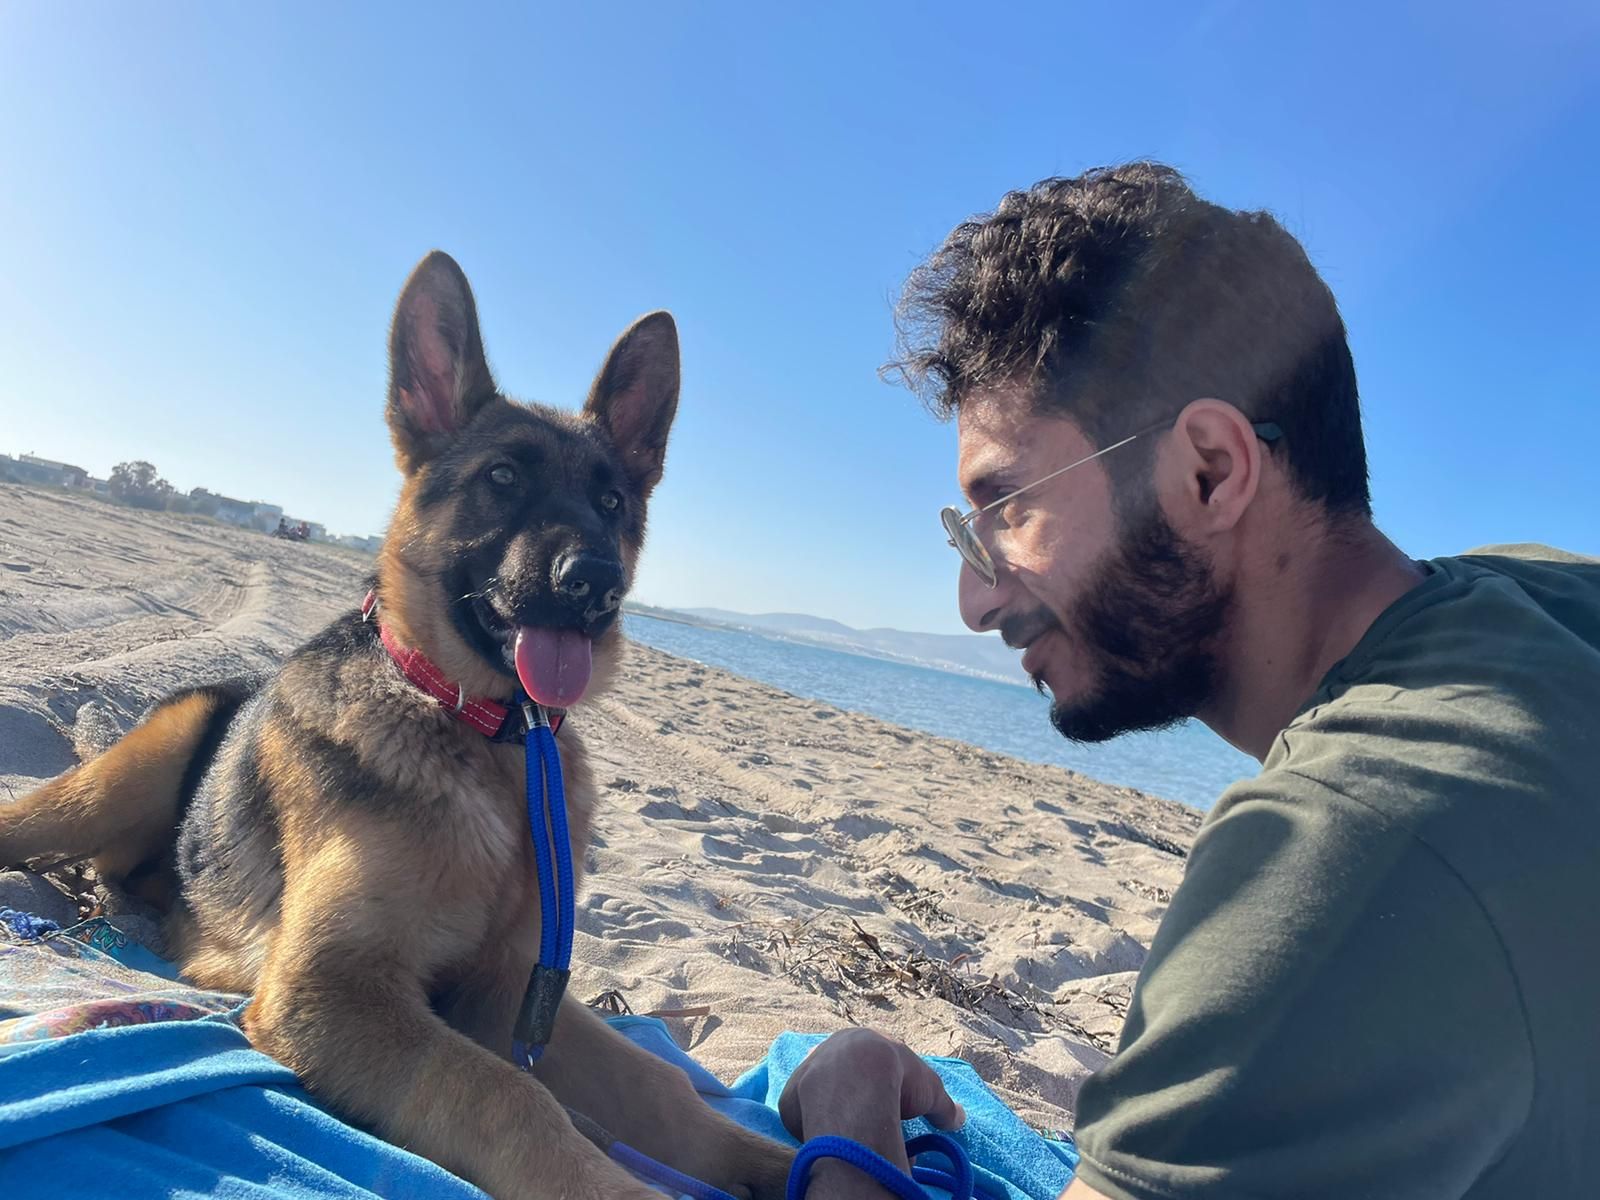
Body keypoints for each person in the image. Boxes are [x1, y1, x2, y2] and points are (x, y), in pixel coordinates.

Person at [777, 164, 1599, 1198]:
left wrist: (850, 1116)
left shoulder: (1346, 856)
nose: (974, 602)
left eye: (1007, 510)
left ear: (1208, 467)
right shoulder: (1545, 603)